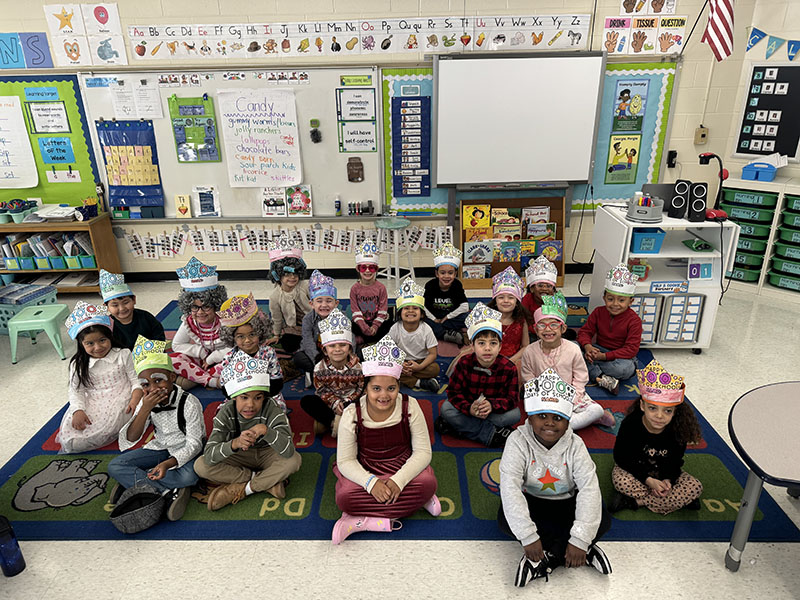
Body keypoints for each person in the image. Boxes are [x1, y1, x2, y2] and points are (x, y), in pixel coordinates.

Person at [498, 368, 612, 587]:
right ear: (529, 417)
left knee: (603, 518)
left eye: (558, 417)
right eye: (542, 416)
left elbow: (589, 488)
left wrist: (580, 538)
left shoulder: (576, 445)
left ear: (568, 421)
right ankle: (579, 552)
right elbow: (510, 487)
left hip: (566, 503)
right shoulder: (516, 441)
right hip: (533, 502)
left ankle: (548, 558)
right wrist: (529, 537)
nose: (549, 423)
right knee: (505, 518)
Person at [332, 335, 440, 544]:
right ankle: (408, 505)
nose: (384, 395)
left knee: (428, 483)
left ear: (399, 387)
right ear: (366, 388)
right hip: (367, 468)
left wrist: (398, 481)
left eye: (391, 388)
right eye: (376, 389)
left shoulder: (411, 406)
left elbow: (423, 452)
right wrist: (372, 483)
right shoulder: (351, 413)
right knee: (344, 497)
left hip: (402, 466)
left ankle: (365, 519)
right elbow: (346, 461)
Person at [108, 336, 204, 522]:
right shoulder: (146, 401)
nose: (153, 388)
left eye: (158, 381)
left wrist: (168, 464)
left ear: (172, 377)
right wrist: (144, 409)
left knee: (189, 477)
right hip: (161, 447)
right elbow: (132, 437)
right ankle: (165, 491)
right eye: (145, 384)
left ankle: (136, 483)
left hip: (186, 451)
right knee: (115, 465)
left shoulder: (189, 402)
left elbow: (194, 443)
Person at [193, 350, 302, 511]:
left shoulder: (272, 408)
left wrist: (267, 431)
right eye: (244, 397)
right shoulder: (226, 412)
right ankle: (264, 482)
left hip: (268, 453)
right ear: (233, 397)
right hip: (240, 455)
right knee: (201, 465)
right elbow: (209, 455)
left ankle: (243, 489)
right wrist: (234, 443)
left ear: (264, 397)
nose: (250, 404)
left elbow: (287, 451)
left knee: (294, 460)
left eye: (257, 397)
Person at [610, 360, 703, 514]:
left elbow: (675, 461)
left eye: (667, 411)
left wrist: (668, 480)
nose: (659, 416)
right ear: (642, 406)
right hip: (636, 471)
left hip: (662, 472)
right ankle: (676, 501)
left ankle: (636, 502)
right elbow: (622, 457)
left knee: (695, 486)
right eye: (653, 408)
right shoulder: (631, 423)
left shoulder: (677, 429)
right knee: (621, 481)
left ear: (675, 412)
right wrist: (649, 481)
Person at [57, 302, 143, 454]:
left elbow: (135, 380)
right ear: (81, 344)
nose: (97, 347)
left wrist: (135, 399)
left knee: (112, 423)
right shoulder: (78, 363)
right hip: (93, 400)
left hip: (121, 396)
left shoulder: (123, 354)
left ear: (110, 337)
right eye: (90, 343)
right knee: (71, 438)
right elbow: (76, 390)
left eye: (102, 340)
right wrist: (78, 410)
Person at [519, 293, 614, 430]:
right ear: (535, 329)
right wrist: (540, 396)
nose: (548, 329)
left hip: (571, 393)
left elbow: (581, 376)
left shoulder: (573, 348)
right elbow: (527, 376)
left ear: (563, 328)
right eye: (542, 325)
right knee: (533, 422)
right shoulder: (529, 351)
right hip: (542, 397)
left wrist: (573, 396)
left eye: (553, 325)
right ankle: (569, 423)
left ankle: (563, 425)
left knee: (596, 409)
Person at [437, 303, 519, 447]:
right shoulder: (464, 363)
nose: (487, 348)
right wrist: (469, 408)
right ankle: (489, 434)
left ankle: (459, 428)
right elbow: (453, 392)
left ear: (500, 347)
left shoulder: (509, 368)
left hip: (492, 411)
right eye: (481, 343)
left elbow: (511, 399)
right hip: (468, 407)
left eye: (493, 343)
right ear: (472, 346)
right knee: (446, 409)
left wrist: (491, 406)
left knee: (515, 415)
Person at [577, 263, 643, 395]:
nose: (615, 304)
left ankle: (594, 372)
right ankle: (601, 377)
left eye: (621, 300)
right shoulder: (598, 312)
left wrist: (604, 357)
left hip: (620, 357)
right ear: (604, 298)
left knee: (625, 369)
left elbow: (631, 350)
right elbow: (585, 332)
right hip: (598, 349)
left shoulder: (634, 321)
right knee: (571, 347)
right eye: (610, 299)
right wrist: (588, 346)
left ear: (630, 302)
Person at [300, 308, 365, 437]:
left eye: (342, 345)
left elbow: (360, 388)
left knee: (368, 400)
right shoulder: (319, 368)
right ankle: (335, 422)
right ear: (325, 350)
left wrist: (347, 401)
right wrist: (335, 403)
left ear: (350, 348)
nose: (337, 350)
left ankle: (331, 424)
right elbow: (321, 390)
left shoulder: (358, 367)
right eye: (332, 346)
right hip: (330, 402)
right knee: (307, 401)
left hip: (351, 401)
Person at [169, 257, 231, 390]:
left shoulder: (226, 320)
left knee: (240, 358)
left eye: (206, 306)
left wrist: (212, 358)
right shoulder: (189, 321)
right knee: (172, 359)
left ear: (216, 305)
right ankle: (210, 380)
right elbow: (176, 345)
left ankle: (195, 378)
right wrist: (201, 352)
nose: (200, 312)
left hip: (225, 358)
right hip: (201, 360)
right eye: (194, 307)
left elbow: (236, 347)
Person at [217, 293, 286, 412]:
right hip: (239, 398)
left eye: (252, 334)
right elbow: (226, 387)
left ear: (260, 331)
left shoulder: (269, 353)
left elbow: (277, 381)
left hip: (267, 395)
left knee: (277, 409)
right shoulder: (229, 358)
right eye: (241, 336)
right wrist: (243, 399)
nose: (247, 340)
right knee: (223, 412)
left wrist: (259, 399)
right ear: (232, 337)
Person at [389, 276, 440, 392]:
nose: (410, 311)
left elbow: (433, 354)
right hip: (401, 362)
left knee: (435, 368)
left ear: (422, 314)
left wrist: (420, 367)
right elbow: (389, 350)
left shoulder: (426, 329)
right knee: (389, 368)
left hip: (421, 362)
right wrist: (401, 365)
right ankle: (418, 382)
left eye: (415, 308)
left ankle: (407, 378)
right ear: (400, 313)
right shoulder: (395, 328)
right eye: (406, 308)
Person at [99, 269, 165, 350]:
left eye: (126, 302)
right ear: (106, 307)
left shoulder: (146, 317)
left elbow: (159, 336)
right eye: (115, 305)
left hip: (150, 356)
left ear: (134, 300)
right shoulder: (107, 326)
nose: (122, 308)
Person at [266, 232, 310, 354]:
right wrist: (276, 334)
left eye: (295, 274)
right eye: (287, 275)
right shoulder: (275, 296)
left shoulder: (305, 286)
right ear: (277, 274)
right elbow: (276, 317)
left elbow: (319, 302)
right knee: (289, 345)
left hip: (313, 323)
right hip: (293, 328)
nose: (292, 278)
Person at [293, 269, 338, 376]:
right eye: (319, 301)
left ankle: (323, 372)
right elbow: (308, 342)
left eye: (329, 301)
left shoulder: (341, 317)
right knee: (298, 358)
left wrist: (341, 359)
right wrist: (318, 362)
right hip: (315, 352)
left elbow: (349, 340)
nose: (324, 305)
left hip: (336, 352)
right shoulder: (307, 319)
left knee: (358, 353)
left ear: (336, 303)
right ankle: (319, 371)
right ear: (311, 304)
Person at [424, 242, 469, 346]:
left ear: (455, 274)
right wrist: (434, 319)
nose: (446, 276)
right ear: (437, 274)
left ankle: (442, 331)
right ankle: (446, 333)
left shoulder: (457, 285)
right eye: (442, 273)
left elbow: (465, 306)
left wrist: (447, 317)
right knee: (419, 320)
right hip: (433, 317)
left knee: (470, 316)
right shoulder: (430, 285)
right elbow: (423, 306)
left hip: (451, 318)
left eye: (450, 273)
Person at [350, 240, 391, 348]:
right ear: (358, 269)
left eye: (371, 267)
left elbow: (383, 310)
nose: (367, 271)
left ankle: (365, 339)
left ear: (376, 269)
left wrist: (375, 326)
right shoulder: (354, 288)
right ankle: (370, 339)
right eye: (363, 267)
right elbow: (355, 311)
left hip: (377, 321)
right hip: (361, 323)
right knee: (349, 325)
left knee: (389, 325)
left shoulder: (381, 288)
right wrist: (363, 327)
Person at [488, 266, 531, 364]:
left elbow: (525, 346)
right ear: (495, 301)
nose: (506, 301)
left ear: (517, 302)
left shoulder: (521, 321)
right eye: (501, 297)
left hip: (513, 360)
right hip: (490, 358)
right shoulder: (489, 318)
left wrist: (511, 360)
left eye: (511, 297)